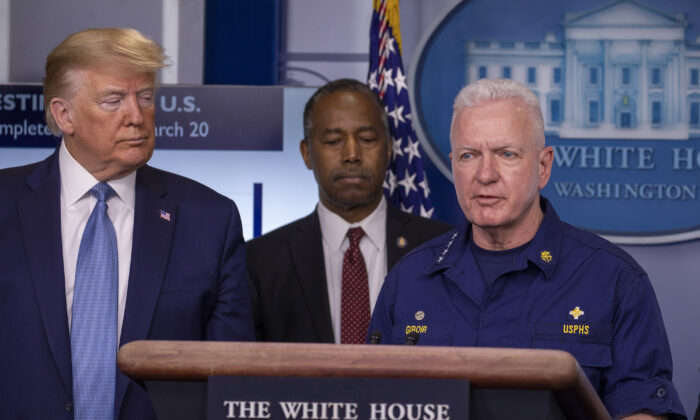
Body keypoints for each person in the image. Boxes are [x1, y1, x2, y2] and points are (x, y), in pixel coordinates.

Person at [368, 78, 686, 419]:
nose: (485, 174)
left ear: (543, 166)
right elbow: (372, 402)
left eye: (506, 154)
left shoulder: (615, 281)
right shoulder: (409, 279)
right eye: (468, 155)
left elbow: (642, 410)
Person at [0, 28, 253, 419]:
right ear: (63, 114)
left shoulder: (210, 220)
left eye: (146, 97)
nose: (137, 116)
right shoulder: (5, 204)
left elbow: (233, 385)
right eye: (113, 100)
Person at [247, 79, 451, 344]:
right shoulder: (258, 263)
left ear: (389, 149)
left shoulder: (444, 250)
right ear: (307, 153)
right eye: (333, 141)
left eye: (366, 139)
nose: (352, 154)